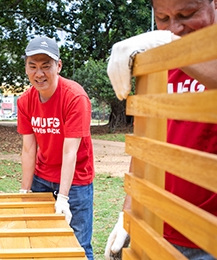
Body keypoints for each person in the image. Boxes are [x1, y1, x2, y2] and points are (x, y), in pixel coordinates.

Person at [105, 0, 217, 259]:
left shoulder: (168, 44)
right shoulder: (157, 60)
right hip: (157, 226)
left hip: (208, 236)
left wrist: (172, 47)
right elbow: (147, 142)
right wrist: (128, 212)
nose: (175, 28)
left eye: (187, 14)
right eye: (163, 18)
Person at [17, 36, 95, 259]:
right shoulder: (25, 101)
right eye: (33, 66)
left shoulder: (75, 97)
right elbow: (29, 149)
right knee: (42, 243)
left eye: (46, 66)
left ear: (58, 66)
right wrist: (25, 190)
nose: (39, 74)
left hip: (76, 180)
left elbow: (70, 151)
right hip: (42, 177)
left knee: (78, 246)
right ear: (26, 68)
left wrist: (63, 197)